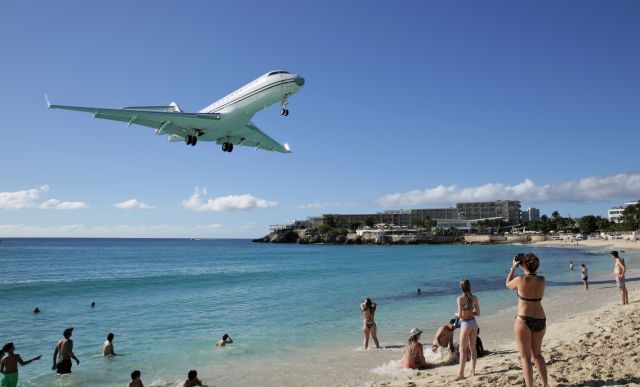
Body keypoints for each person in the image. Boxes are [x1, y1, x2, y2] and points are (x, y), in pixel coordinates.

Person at [506, 253, 548, 387]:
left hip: (524, 319)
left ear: (523, 264)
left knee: (525, 357)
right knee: (537, 355)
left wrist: (513, 268)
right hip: (540, 319)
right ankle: (545, 384)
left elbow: (507, 284)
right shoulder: (542, 279)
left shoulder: (520, 279)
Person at [454, 279, 480, 381]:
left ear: (461, 288)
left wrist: (456, 314)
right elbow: (478, 313)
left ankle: (461, 374)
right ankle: (473, 371)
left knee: (462, 350)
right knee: (473, 348)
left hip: (465, 324)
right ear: (470, 286)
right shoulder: (474, 298)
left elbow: (460, 315)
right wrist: (470, 312)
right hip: (474, 323)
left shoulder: (460, 299)